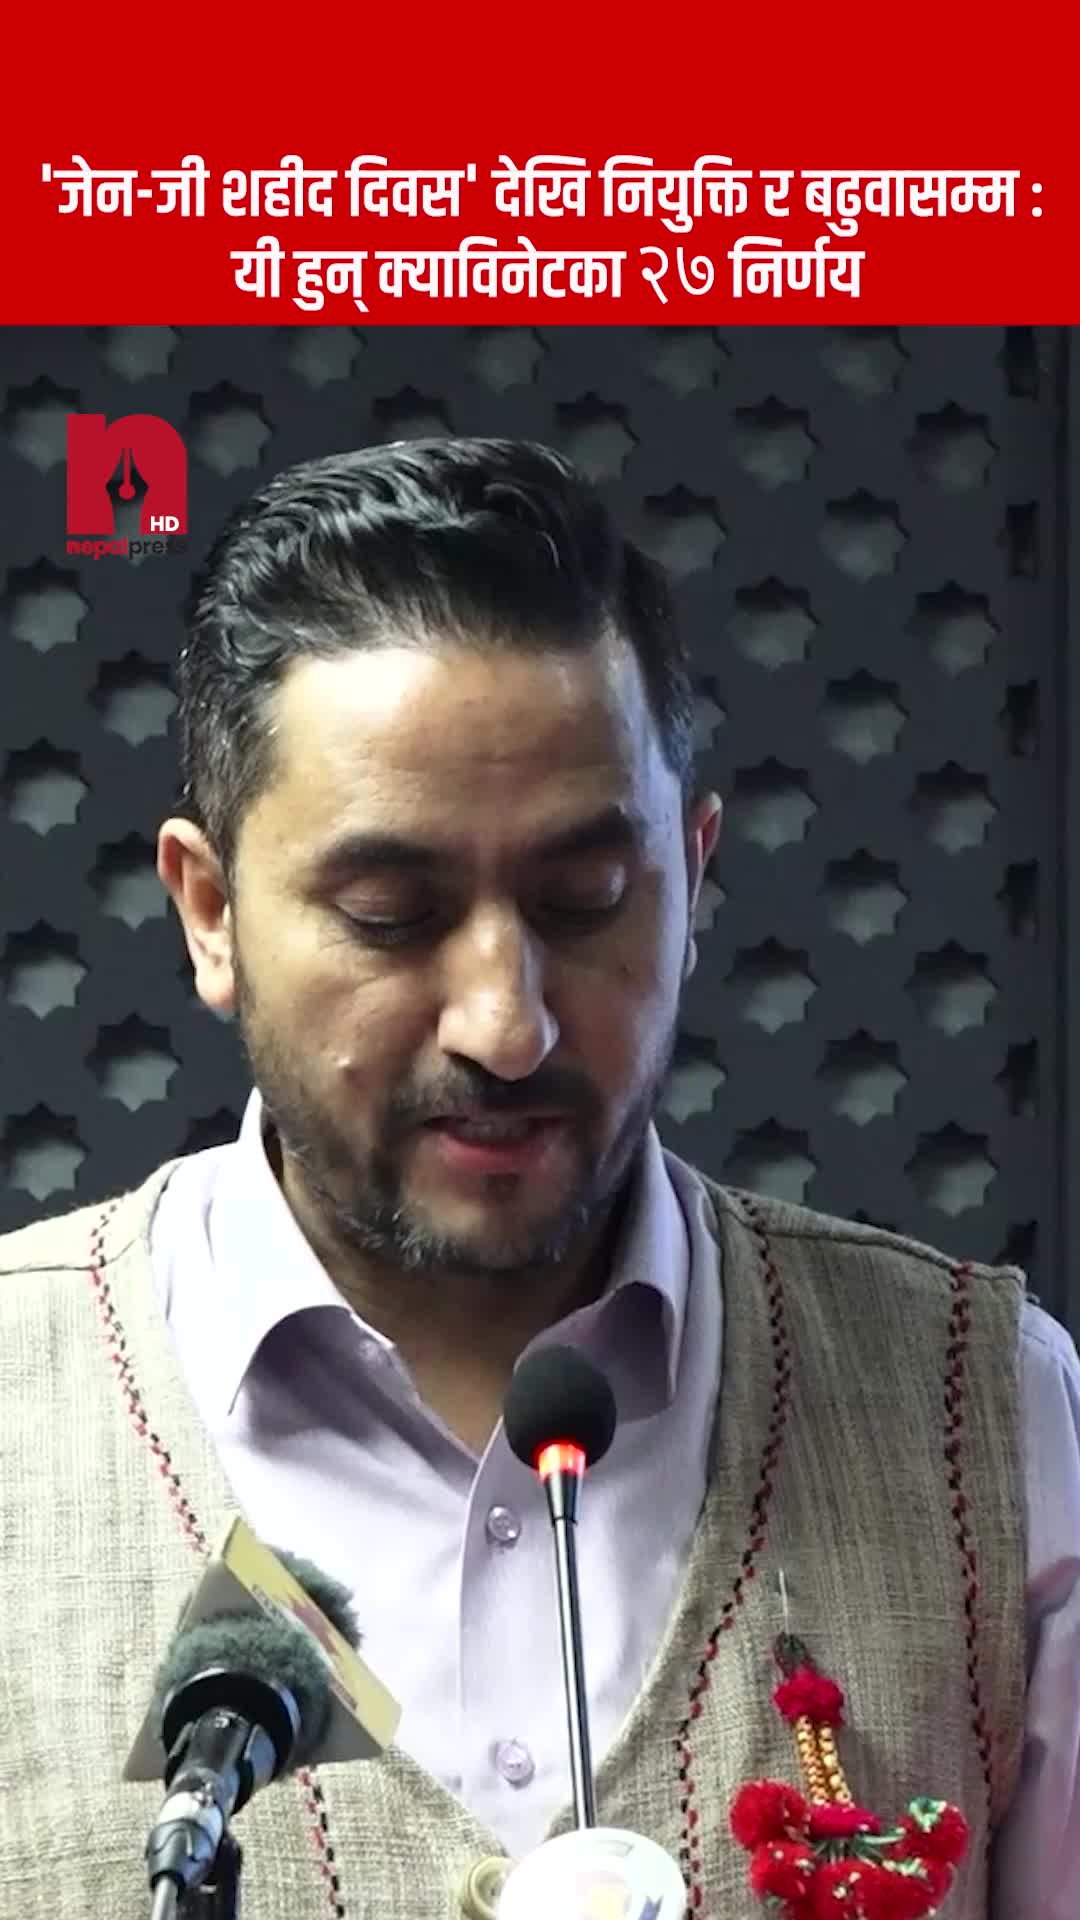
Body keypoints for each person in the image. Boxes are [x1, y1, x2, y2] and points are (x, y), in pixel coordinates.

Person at [1, 436, 1076, 1920]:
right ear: (209, 913)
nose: (506, 1025)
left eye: (587, 901)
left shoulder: (993, 1418)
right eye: (391, 915)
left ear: (695, 881)